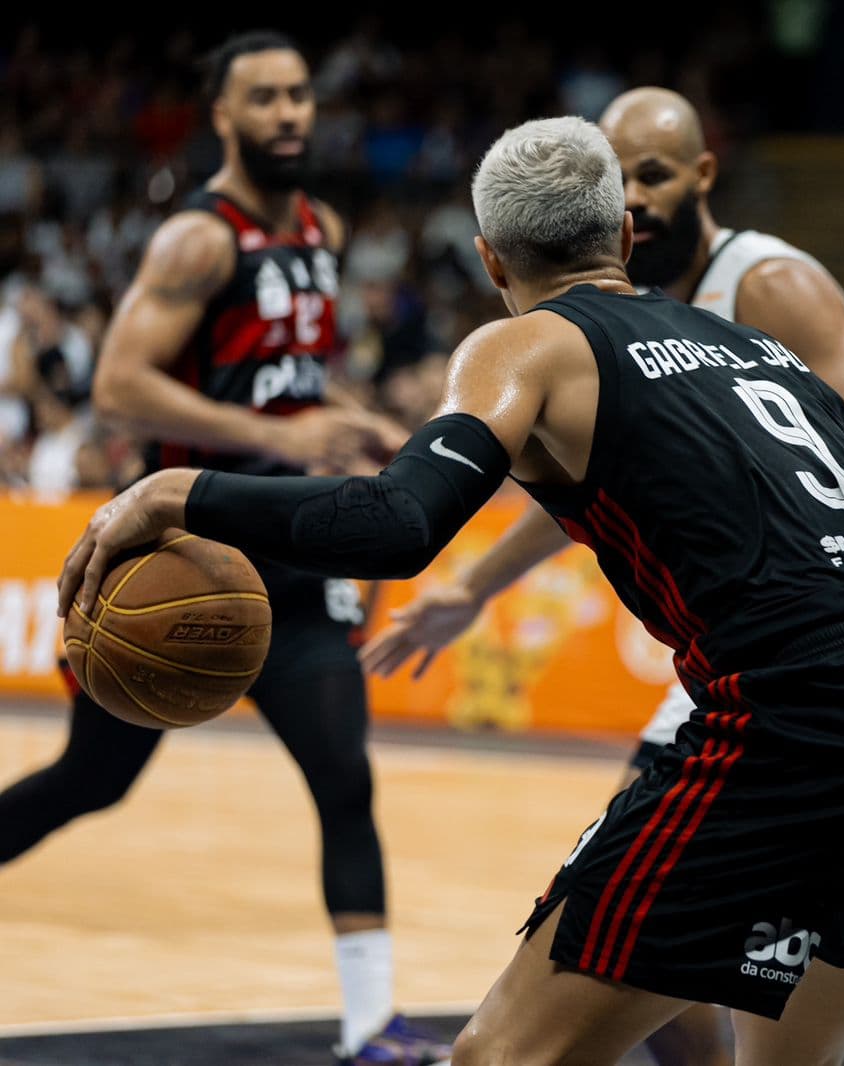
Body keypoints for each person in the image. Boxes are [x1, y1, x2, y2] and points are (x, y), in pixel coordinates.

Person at [59, 115, 844, 1066]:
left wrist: (180, 489)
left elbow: (397, 524)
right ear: (621, 236)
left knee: (501, 1055)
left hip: (808, 717)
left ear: (489, 261)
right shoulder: (753, 347)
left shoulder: (524, 346)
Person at [359, 87, 844, 1066]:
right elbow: (602, 471)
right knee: (715, 899)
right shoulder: (621, 313)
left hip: (822, 645)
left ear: (701, 174)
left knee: (718, 880)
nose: (638, 198)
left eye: (655, 174)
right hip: (779, 647)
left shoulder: (765, 286)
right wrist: (476, 585)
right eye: (624, 175)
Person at [0, 33, 445, 1066]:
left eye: (299, 94)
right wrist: (282, 436)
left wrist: (358, 419)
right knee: (90, 781)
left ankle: (371, 1022)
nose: (291, 112)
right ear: (224, 116)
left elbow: (288, 376)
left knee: (345, 775)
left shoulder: (324, 228)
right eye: (267, 98)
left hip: (292, 554)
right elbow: (119, 385)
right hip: (180, 545)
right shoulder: (198, 241)